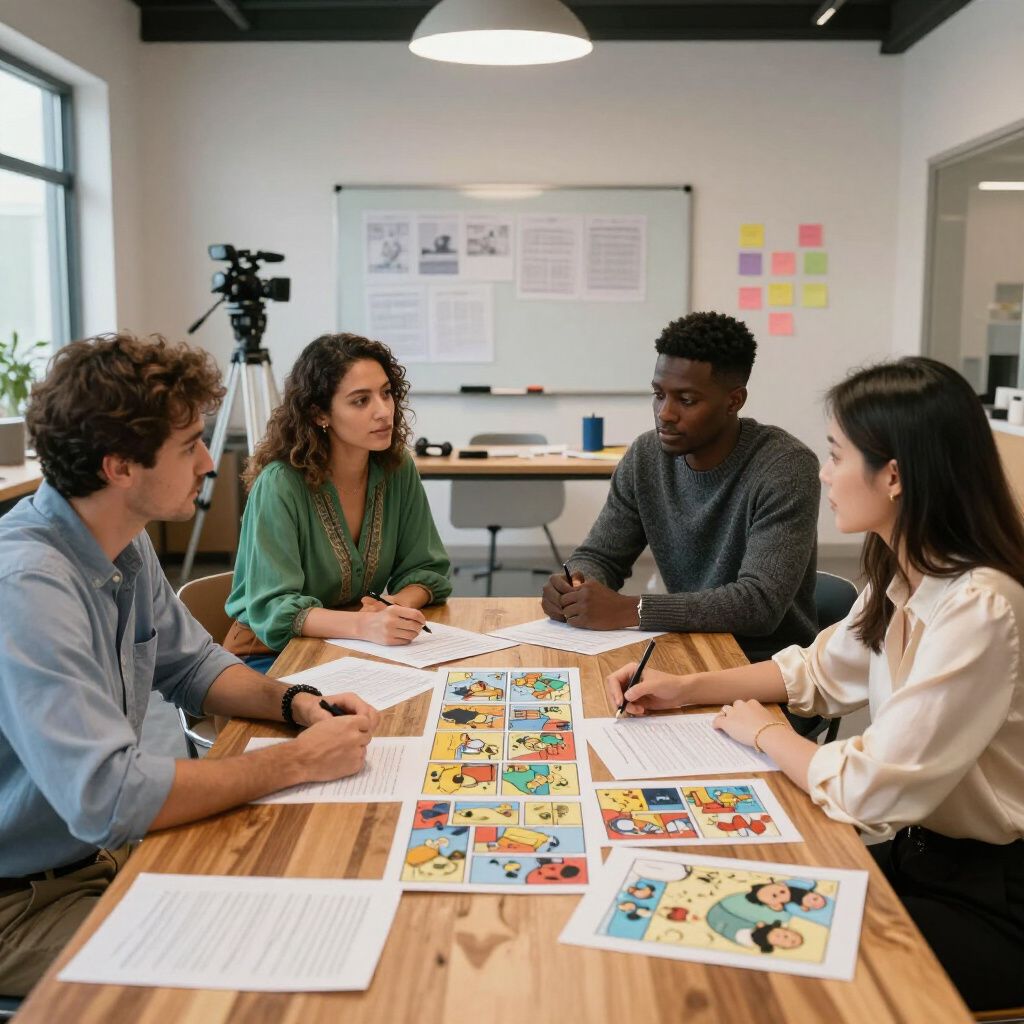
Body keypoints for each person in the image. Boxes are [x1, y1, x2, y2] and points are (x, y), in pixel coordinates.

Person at [606, 357, 1024, 1011]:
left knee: (771, 969)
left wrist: (769, 733)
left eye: (836, 454)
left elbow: (871, 786)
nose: (824, 473)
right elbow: (816, 672)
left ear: (893, 475)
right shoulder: (903, 570)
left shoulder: (982, 606)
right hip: (922, 859)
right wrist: (684, 689)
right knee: (735, 909)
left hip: (995, 897)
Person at [0, 333, 379, 996]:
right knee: (247, 974)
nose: (209, 460)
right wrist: (295, 761)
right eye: (189, 445)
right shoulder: (28, 585)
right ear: (120, 466)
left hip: (93, 856)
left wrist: (293, 703)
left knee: (302, 894)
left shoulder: (120, 538)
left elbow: (194, 665)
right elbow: (109, 797)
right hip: (19, 901)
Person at [542, 311, 820, 662]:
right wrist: (575, 586)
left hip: (770, 666)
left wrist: (634, 610)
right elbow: (600, 556)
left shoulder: (785, 466)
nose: (665, 413)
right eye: (659, 394)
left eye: (686, 400)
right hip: (687, 649)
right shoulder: (646, 455)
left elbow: (759, 604)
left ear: (734, 401)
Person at [225, 333, 452, 670]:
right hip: (269, 652)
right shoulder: (281, 484)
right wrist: (364, 625)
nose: (383, 411)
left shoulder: (396, 469)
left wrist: (392, 607)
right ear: (320, 414)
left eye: (386, 393)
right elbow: (272, 609)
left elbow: (426, 568)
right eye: (361, 401)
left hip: (358, 644)